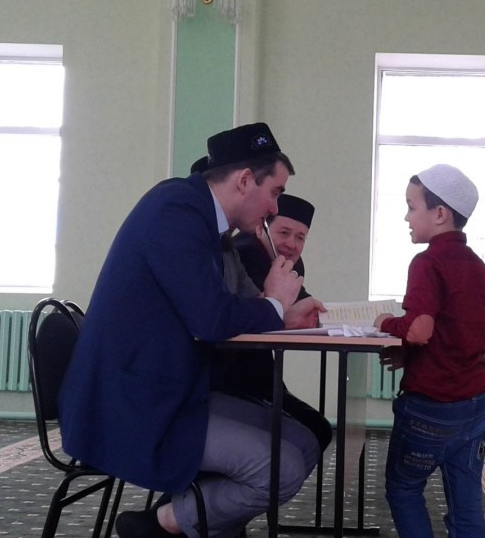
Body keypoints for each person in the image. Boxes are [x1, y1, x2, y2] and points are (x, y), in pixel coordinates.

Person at [57, 122, 326, 538]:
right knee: (283, 468)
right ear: (244, 181)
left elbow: (216, 308)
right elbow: (211, 319)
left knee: (305, 441)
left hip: (170, 387)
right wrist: (273, 303)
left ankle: (188, 526)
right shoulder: (177, 211)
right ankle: (160, 524)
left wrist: (282, 314)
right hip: (134, 403)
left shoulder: (198, 216)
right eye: (274, 192)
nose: (275, 208)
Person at [372, 164, 485, 537]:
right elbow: (452, 335)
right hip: (476, 403)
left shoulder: (427, 262)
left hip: (431, 406)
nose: (407, 217)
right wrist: (410, 355)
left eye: (412, 207)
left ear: (440, 214)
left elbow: (419, 329)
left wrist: (385, 323)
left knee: (404, 487)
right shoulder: (480, 269)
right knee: (466, 501)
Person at [227, 194, 333, 453]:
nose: (291, 244)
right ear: (261, 229)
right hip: (231, 377)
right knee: (314, 429)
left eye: (300, 237)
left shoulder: (288, 261)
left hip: (261, 372)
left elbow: (302, 306)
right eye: (284, 233)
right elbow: (267, 315)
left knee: (318, 428)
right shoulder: (246, 251)